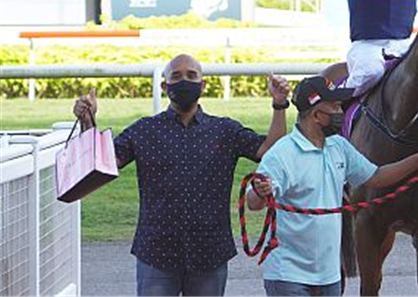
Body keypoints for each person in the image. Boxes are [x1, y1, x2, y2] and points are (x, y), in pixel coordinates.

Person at [72, 54, 290, 297]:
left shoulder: (225, 131)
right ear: (164, 86)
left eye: (191, 76)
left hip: (210, 249)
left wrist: (279, 104)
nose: (184, 80)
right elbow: (103, 163)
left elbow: (270, 151)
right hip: (156, 251)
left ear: (203, 85)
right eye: (176, 76)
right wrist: (88, 122)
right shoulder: (144, 130)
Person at [247, 76, 418, 297]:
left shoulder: (339, 146)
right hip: (289, 277)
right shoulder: (282, 154)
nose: (340, 110)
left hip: (329, 276)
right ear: (316, 115)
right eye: (334, 106)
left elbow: (377, 176)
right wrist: (259, 192)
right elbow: (254, 203)